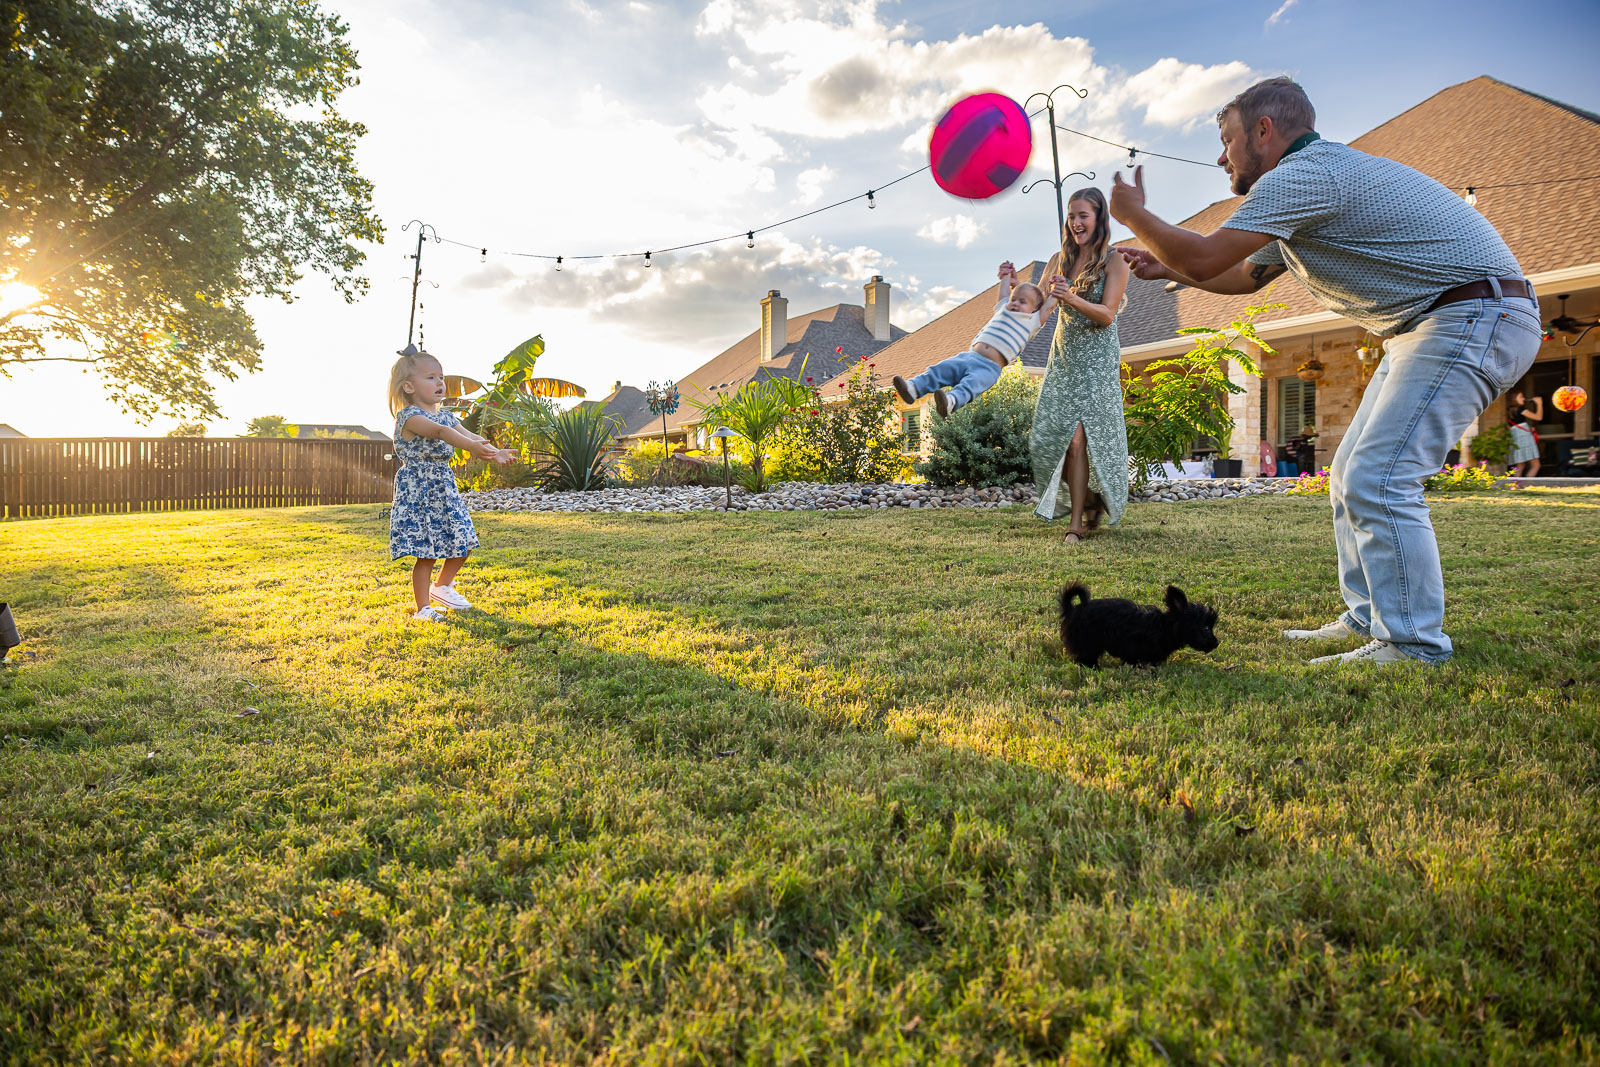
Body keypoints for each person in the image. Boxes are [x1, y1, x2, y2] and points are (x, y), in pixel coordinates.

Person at [1114, 77, 1540, 665]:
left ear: (1264, 130)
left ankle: (1414, 643)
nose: (1221, 157)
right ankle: (1368, 616)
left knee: (1379, 477)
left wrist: (1134, 214)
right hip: (1437, 323)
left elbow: (1206, 255)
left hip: (1470, 314)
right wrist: (1169, 271)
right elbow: (1241, 276)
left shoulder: (1303, 174)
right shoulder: (1305, 186)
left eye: (1227, 140)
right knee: (1348, 474)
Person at [1028, 187, 1132, 543]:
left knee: (1078, 441)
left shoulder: (1115, 260)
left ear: (1099, 218)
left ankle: (1075, 525)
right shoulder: (1058, 260)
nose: (1075, 222)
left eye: (1082, 215)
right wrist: (1010, 290)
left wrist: (1069, 296)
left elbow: (1107, 314)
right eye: (1071, 216)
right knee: (1051, 438)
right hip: (1064, 358)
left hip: (1097, 361)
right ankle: (1089, 501)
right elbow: (1038, 309)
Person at [387, 345, 512, 622]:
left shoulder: (446, 415)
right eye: (430, 377)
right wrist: (473, 448)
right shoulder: (409, 417)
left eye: (441, 377)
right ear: (408, 387)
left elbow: (472, 437)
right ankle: (423, 609)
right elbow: (441, 433)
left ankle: (442, 586)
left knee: (463, 540)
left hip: (443, 486)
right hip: (419, 489)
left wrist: (494, 452)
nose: (440, 383)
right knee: (426, 552)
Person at [893, 267, 1056, 417]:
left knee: (970, 385)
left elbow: (1048, 307)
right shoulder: (1003, 310)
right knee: (940, 370)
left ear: (1034, 309)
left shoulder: (1032, 322)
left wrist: (1059, 289)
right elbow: (1004, 294)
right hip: (969, 357)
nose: (1015, 303)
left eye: (1022, 302)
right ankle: (913, 388)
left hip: (989, 368)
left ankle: (950, 402)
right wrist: (1006, 276)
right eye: (1014, 299)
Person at [1505, 389, 1543, 477]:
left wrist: (1527, 429)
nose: (1524, 398)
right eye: (1521, 397)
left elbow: (1511, 428)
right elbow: (1538, 417)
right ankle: (1526, 483)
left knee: (1520, 465)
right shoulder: (1520, 409)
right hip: (1525, 438)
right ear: (1514, 399)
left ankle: (1515, 484)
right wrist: (1539, 404)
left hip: (1516, 438)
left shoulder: (1509, 411)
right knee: (1536, 465)